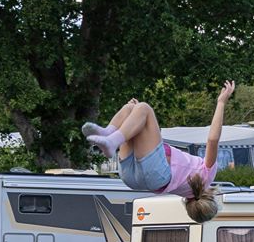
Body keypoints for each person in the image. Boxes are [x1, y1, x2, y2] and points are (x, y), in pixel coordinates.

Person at [83, 80, 236, 223]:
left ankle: (111, 140)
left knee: (144, 108)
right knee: (132, 110)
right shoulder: (187, 192)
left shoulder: (206, 178)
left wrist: (221, 102)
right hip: (132, 180)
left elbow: (212, 140)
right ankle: (109, 134)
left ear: (212, 198)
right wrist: (136, 117)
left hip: (156, 173)